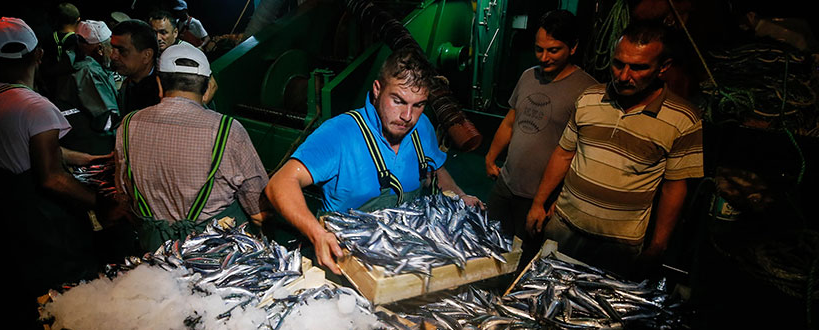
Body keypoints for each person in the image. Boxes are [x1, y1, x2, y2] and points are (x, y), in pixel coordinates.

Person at [265, 47, 481, 275]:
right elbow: (280, 183)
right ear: (377, 90)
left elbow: (436, 167)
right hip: (344, 263)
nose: (407, 116)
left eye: (418, 105)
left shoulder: (422, 127)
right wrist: (317, 234)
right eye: (398, 101)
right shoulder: (339, 134)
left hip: (403, 256)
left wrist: (459, 196)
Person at [525, 20, 703, 277]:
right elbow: (564, 154)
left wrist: (658, 246)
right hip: (564, 227)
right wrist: (539, 204)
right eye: (618, 64)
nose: (623, 75)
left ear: (663, 67)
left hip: (619, 245)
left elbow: (674, 187)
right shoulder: (589, 99)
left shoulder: (683, 119)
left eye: (638, 68)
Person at [0, 17, 120, 290]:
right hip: (39, 223)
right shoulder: (36, 106)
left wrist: (85, 159)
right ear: (38, 54)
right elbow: (51, 178)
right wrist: (103, 204)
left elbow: (20, 147)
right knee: (69, 292)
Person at [114, 43, 271, 252]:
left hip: (157, 259)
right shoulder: (226, 130)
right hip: (216, 262)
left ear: (159, 84)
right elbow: (259, 213)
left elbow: (124, 195)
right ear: (207, 88)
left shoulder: (128, 125)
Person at [484, 10, 597, 252]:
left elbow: (583, 155)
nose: (544, 57)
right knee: (489, 247)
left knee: (524, 260)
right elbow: (509, 122)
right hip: (506, 184)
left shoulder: (589, 91)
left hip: (539, 198)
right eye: (539, 49)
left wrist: (557, 200)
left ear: (573, 47)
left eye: (553, 50)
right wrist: (490, 157)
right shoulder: (528, 76)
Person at [53, 19, 119, 154]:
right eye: (111, 47)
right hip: (93, 146)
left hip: (75, 142)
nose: (113, 53)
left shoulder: (75, 62)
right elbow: (105, 119)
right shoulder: (89, 72)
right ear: (100, 49)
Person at [149, 9, 218, 105]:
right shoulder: (154, 51)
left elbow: (213, 85)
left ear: (175, 33)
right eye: (154, 33)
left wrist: (194, 110)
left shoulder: (189, 52)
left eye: (163, 32)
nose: (158, 38)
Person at [111, 19, 160, 115]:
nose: (113, 56)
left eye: (122, 51)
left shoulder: (167, 91)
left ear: (147, 55)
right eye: (113, 48)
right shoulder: (126, 85)